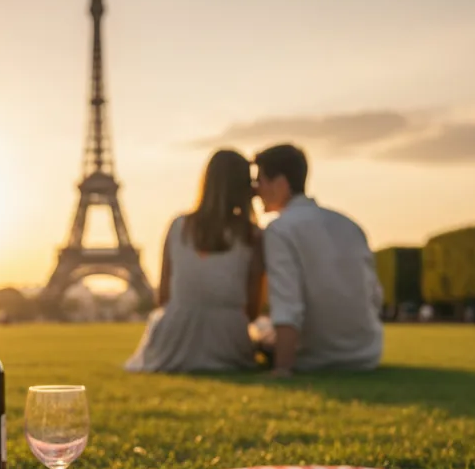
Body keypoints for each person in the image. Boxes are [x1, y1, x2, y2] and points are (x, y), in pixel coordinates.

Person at [125, 149, 264, 373]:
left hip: (173, 338)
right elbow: (252, 310)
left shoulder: (179, 226)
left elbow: (163, 297)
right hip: (228, 339)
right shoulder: (252, 235)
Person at [252, 144, 382, 376]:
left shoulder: (279, 230)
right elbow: (374, 296)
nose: (256, 189)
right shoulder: (349, 225)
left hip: (314, 356)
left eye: (259, 180)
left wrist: (282, 368)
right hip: (365, 354)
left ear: (280, 183)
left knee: (257, 328)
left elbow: (287, 303)